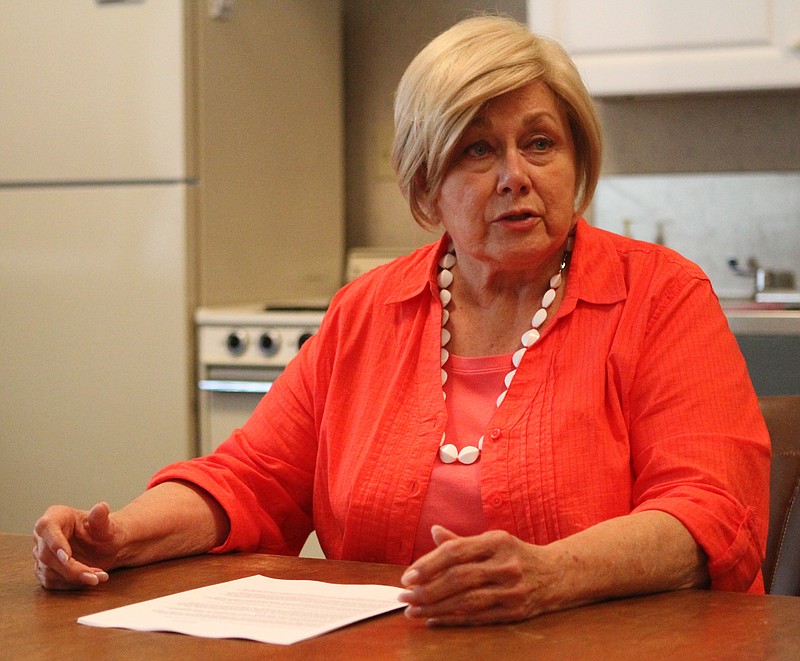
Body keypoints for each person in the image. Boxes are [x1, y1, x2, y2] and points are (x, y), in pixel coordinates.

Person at [33, 16, 770, 626]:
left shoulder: (661, 295)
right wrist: (122, 533)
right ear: (426, 184)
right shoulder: (369, 309)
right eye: (478, 149)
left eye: (540, 142)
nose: (516, 173)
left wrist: (550, 574)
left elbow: (710, 511)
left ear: (575, 160)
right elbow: (250, 478)